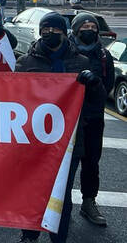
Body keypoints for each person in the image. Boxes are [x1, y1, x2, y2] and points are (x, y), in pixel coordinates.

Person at [16, 12, 99, 243]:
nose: (49, 33)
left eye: (54, 29)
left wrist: (93, 84)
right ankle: (29, 235)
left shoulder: (81, 62)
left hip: (69, 141)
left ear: (64, 32)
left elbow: (95, 102)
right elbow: (12, 100)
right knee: (32, 190)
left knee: (61, 196)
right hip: (34, 139)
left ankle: (58, 238)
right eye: (45, 29)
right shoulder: (26, 63)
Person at [69, 13, 113, 226]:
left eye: (93, 26)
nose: (89, 29)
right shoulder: (67, 52)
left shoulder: (104, 55)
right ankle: (62, 205)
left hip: (93, 117)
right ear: (76, 29)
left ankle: (88, 202)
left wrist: (95, 84)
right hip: (68, 117)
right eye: (85, 26)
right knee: (65, 164)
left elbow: (108, 86)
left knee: (91, 163)